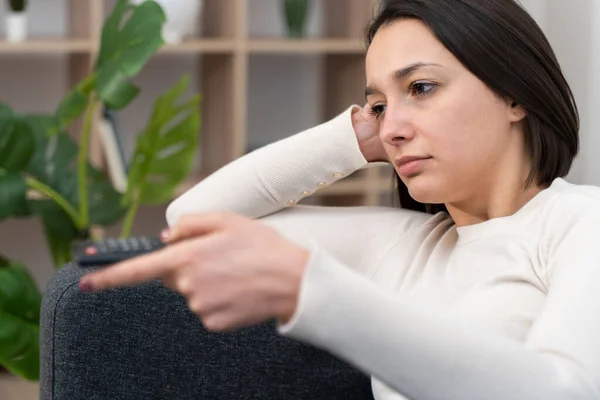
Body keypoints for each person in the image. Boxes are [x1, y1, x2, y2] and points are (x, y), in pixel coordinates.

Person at [79, 0, 600, 398]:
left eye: (420, 88)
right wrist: (351, 135)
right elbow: (193, 217)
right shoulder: (405, 246)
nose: (392, 128)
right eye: (378, 104)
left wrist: (313, 292)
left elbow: (563, 390)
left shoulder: (579, 223)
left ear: (515, 95)